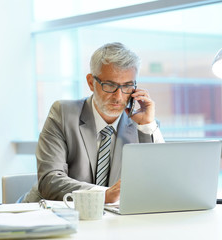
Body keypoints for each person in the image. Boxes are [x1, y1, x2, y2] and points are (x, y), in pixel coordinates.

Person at [22, 42, 164, 204]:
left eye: (127, 86)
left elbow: (159, 183)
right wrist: (103, 195)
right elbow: (50, 181)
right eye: (110, 85)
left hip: (109, 221)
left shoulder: (143, 125)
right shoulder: (63, 113)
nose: (118, 96)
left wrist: (147, 126)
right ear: (91, 82)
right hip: (50, 215)